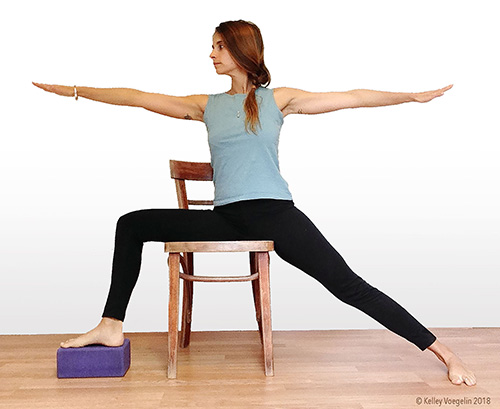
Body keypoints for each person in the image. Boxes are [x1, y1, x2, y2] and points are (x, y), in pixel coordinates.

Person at [33, 20, 476, 386]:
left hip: (276, 216)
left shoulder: (277, 99)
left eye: (219, 47)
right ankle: (111, 324)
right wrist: (74, 89)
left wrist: (410, 97)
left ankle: (444, 352)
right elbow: (135, 97)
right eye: (211, 47)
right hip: (227, 220)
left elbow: (354, 98)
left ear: (242, 50)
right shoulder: (204, 105)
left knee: (348, 285)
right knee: (130, 223)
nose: (211, 55)